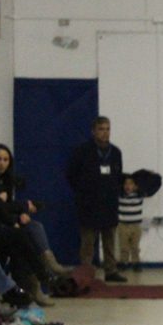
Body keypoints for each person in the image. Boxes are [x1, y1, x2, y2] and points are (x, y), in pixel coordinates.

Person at [0, 142, 54, 306]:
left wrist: (14, 217)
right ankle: (39, 276)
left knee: (19, 242)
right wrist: (19, 210)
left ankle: (24, 290)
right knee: (18, 237)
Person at [0, 143, 73, 276]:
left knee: (34, 226)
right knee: (26, 233)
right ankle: (44, 270)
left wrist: (23, 212)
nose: (2, 164)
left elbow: (9, 205)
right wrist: (22, 210)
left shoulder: (7, 180)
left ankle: (48, 265)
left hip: (8, 218)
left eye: (5, 160)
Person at [66, 116, 126, 282]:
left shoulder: (115, 152)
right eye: (101, 129)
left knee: (109, 239)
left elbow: (118, 175)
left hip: (109, 202)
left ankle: (111, 270)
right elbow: (71, 174)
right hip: (89, 202)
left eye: (107, 129)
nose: (105, 133)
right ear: (93, 131)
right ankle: (86, 272)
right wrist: (83, 191)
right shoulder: (82, 151)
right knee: (88, 241)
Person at [117, 170, 161, 272]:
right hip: (123, 225)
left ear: (136, 186)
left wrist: (149, 174)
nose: (128, 186)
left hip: (136, 226)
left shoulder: (139, 195)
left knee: (135, 247)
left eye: (131, 184)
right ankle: (123, 262)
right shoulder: (120, 196)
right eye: (126, 184)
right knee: (123, 247)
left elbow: (156, 181)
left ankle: (136, 263)